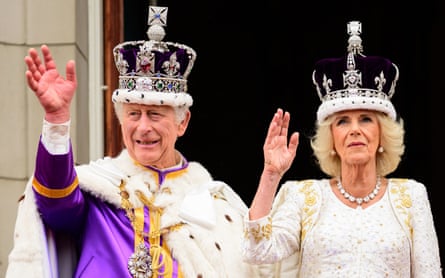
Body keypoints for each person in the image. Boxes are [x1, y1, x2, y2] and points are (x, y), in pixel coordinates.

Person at [6, 6, 258, 278]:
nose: (143, 127)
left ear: (182, 123)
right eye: (134, 114)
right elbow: (54, 202)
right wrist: (56, 120)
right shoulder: (99, 189)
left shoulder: (213, 201)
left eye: (155, 114)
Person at [241, 21, 442, 277]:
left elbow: (430, 273)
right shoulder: (303, 196)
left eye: (366, 119)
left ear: (381, 134)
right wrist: (271, 175)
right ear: (332, 137)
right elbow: (256, 253)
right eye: (343, 121)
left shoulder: (412, 196)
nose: (354, 129)